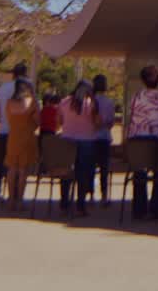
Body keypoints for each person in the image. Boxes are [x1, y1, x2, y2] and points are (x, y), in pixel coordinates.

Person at [126, 65, 158, 220]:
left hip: (137, 142)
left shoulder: (136, 97)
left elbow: (130, 117)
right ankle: (156, 209)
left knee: (139, 172)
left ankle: (139, 209)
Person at [58, 80, 99, 216]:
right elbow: (97, 122)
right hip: (86, 140)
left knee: (66, 173)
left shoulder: (64, 102)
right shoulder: (90, 103)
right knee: (83, 174)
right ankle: (80, 206)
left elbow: (59, 121)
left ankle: (64, 204)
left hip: (67, 140)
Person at [0, 61, 30, 201]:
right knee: (19, 165)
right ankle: (16, 195)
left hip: (4, 130)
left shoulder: (3, 87)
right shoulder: (27, 88)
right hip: (20, 132)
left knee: (2, 163)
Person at [2, 79, 39, 214]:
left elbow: (8, 118)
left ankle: (11, 199)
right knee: (23, 170)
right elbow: (37, 121)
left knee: (12, 169)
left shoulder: (9, 103)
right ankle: (20, 200)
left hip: (13, 137)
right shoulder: (32, 102)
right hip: (27, 137)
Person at [92, 74, 116, 207]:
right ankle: (104, 195)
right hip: (105, 137)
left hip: (91, 137)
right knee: (104, 168)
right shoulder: (109, 102)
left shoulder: (89, 101)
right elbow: (111, 123)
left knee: (90, 167)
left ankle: (90, 194)